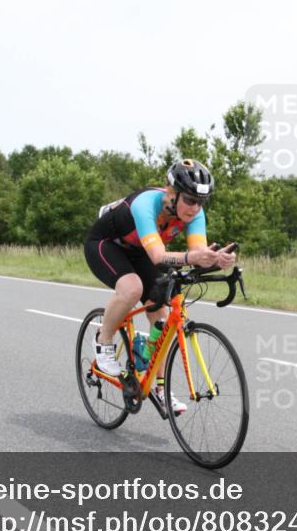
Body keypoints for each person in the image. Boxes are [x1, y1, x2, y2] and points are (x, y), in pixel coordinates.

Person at [84, 159, 237, 414]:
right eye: (189, 199)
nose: (195, 207)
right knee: (132, 288)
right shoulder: (146, 204)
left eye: (201, 202)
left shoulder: (195, 214)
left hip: (141, 252)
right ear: (171, 193)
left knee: (163, 318)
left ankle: (159, 386)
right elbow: (158, 256)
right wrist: (193, 258)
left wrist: (217, 260)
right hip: (106, 245)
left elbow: (198, 252)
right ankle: (103, 340)